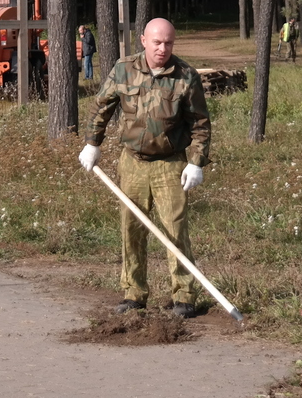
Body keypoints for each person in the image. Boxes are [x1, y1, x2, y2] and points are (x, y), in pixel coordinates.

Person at [79, 17, 211, 318]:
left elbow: (200, 123)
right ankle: (134, 293)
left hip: (170, 164)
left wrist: (196, 162)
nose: (163, 49)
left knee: (175, 230)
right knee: (132, 228)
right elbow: (102, 106)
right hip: (133, 163)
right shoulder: (124, 69)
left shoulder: (186, 75)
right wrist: (92, 143)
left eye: (168, 43)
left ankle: (184, 296)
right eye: (157, 42)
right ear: (143, 40)